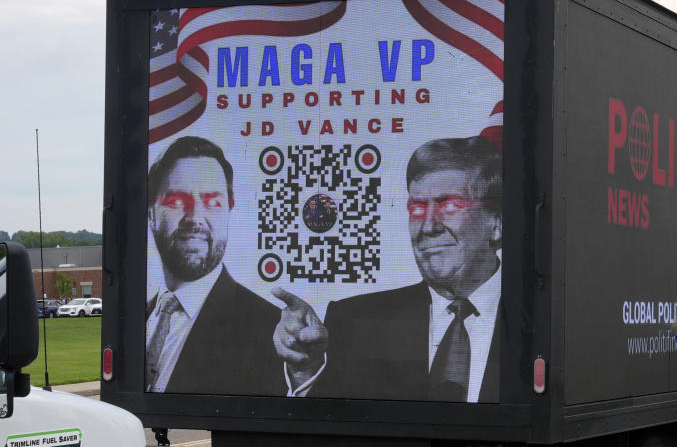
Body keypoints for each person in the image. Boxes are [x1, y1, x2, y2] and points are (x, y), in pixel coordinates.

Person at [275, 136, 502, 402]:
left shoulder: (542, 320)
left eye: (449, 206)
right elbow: (328, 431)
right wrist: (306, 371)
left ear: (496, 224)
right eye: (417, 209)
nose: (428, 227)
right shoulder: (353, 321)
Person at [145, 135, 284, 395]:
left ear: (230, 209)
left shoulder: (268, 330)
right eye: (175, 201)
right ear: (151, 213)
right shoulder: (142, 316)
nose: (195, 218)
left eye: (213, 201)